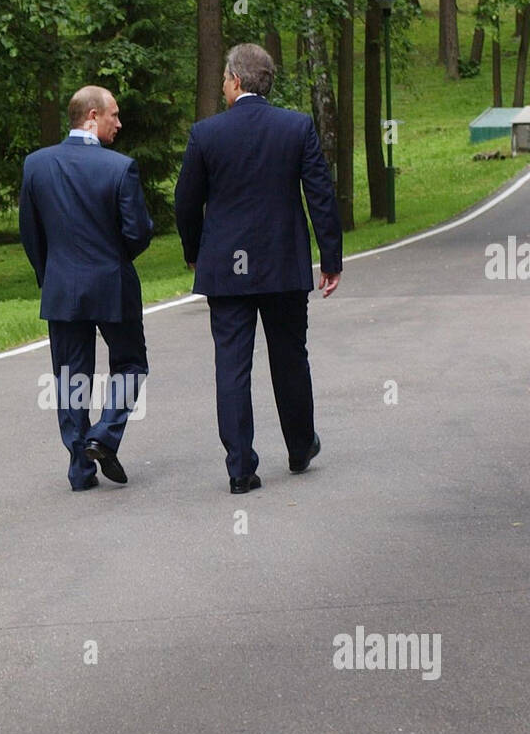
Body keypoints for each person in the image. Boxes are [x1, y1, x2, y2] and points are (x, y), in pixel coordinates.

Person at [174, 43, 343, 494]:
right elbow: (320, 196)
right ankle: (300, 445)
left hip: (227, 270)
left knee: (231, 364)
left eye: (224, 80)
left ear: (234, 80)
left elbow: (186, 201)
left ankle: (240, 468)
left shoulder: (206, 134)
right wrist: (330, 260)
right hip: (283, 266)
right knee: (290, 356)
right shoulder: (296, 126)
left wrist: (194, 251)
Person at [19, 86, 154, 491]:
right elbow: (139, 233)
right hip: (112, 284)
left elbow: (30, 232)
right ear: (92, 116)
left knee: (71, 377)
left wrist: (51, 274)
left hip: (62, 287)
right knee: (130, 364)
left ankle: (80, 471)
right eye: (114, 115)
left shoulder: (36, 165)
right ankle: (105, 433)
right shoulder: (120, 167)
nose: (119, 122)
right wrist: (114, 258)